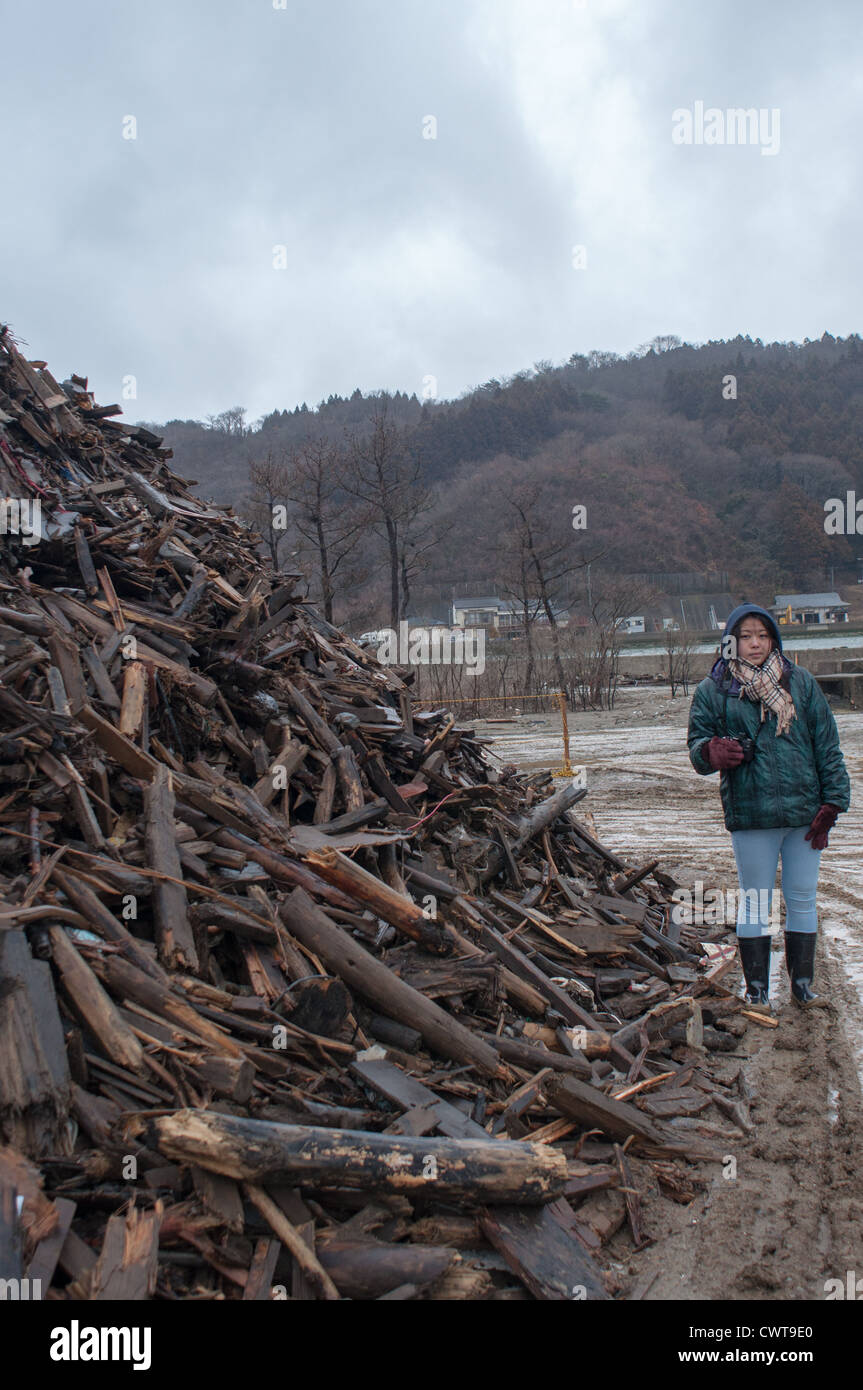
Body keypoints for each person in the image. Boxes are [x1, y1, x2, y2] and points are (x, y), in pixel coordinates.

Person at [687, 603, 850, 1012]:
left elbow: (828, 747)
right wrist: (712, 751)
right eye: (746, 636)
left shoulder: (802, 684)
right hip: (751, 812)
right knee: (756, 899)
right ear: (731, 642)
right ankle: (756, 988)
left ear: (774, 639)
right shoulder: (714, 689)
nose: (755, 643)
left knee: (801, 897)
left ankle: (803, 984)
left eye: (762, 635)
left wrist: (833, 802)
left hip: (804, 815)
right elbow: (696, 749)